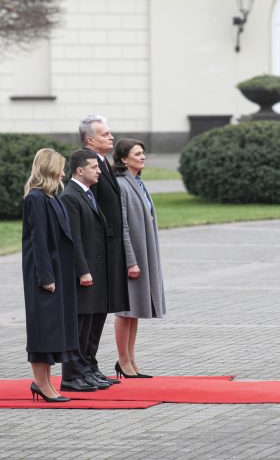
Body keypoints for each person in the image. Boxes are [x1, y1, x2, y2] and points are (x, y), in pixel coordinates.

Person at [21, 148, 78, 403]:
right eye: (60, 167)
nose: (64, 172)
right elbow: (39, 241)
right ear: (50, 169)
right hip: (43, 273)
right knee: (42, 329)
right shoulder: (35, 198)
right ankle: (41, 385)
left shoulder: (52, 196)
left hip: (58, 271)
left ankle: (46, 384)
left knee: (53, 328)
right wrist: (46, 277)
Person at [79, 114, 129, 385]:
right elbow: (89, 208)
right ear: (89, 139)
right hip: (97, 250)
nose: (111, 137)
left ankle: (91, 364)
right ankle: (83, 367)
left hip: (108, 248)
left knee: (101, 309)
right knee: (93, 310)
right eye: (104, 134)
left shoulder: (102, 162)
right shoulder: (85, 164)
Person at [112, 138, 166, 378]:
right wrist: (130, 260)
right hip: (131, 257)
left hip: (144, 253)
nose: (143, 157)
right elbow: (122, 225)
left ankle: (130, 359)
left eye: (143, 153)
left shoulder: (139, 183)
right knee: (125, 310)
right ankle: (123, 361)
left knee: (135, 310)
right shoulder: (121, 185)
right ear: (124, 159)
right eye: (137, 153)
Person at [59, 150, 111, 392]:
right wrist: (82, 270)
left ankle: (87, 369)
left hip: (96, 271)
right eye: (94, 167)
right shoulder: (70, 196)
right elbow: (74, 239)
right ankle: (72, 375)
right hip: (84, 273)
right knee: (80, 326)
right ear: (80, 170)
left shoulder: (87, 193)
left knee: (92, 324)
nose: (99, 170)